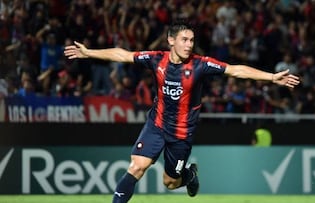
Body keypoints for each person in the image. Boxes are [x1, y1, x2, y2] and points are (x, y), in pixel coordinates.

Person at [64, 18, 300, 203]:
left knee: (170, 182)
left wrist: (271, 77)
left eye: (191, 40)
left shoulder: (200, 65)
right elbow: (123, 55)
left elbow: (235, 70)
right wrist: (89, 52)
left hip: (181, 134)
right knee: (137, 166)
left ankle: (188, 176)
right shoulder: (156, 60)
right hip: (156, 124)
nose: (189, 44)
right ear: (171, 40)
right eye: (185, 39)